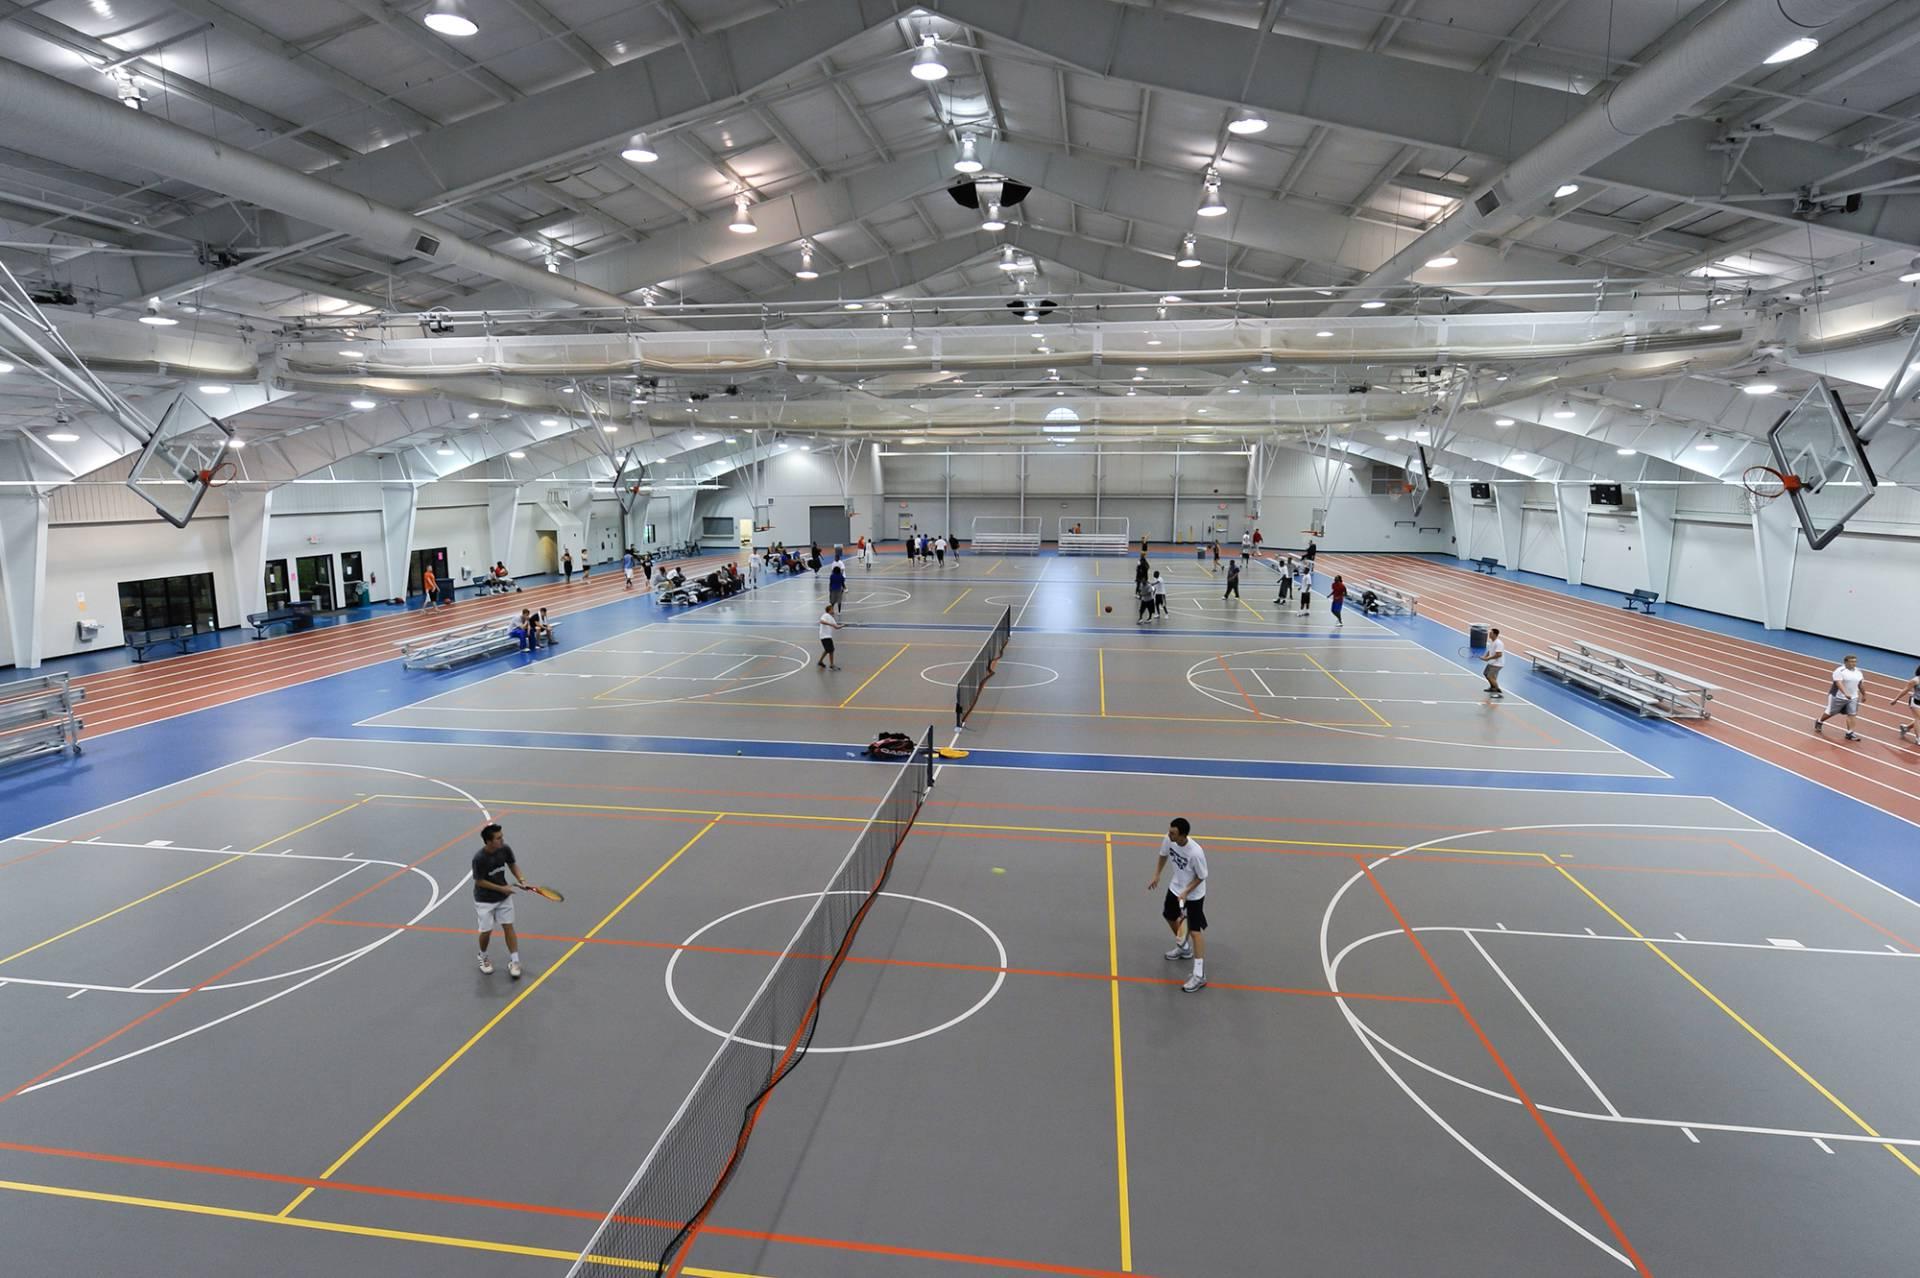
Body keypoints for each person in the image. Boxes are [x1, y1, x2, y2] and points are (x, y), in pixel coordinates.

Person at [1147, 817, 1208, 993]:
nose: (1169, 834)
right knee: (1169, 915)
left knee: (1195, 932)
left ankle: (1199, 974)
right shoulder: (1169, 839)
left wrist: (1187, 892)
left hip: (1194, 894)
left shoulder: (1196, 853)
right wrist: (1157, 874)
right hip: (1176, 887)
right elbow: (1163, 855)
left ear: (1183, 835)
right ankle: (1183, 947)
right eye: (1169, 831)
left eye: (1173, 833)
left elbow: (1202, 876)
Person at [473, 823, 530, 979]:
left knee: (508, 927)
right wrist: (502, 889)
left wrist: (522, 880)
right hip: (484, 900)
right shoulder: (479, 858)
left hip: (503, 898)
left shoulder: (505, 849)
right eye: (498, 838)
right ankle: (483, 956)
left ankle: (515, 961)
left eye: (502, 836)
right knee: (486, 931)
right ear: (489, 841)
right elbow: (479, 881)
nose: (502, 840)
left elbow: (512, 865)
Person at [1816, 653, 1866, 741]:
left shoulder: (1858, 672)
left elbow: (1860, 684)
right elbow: (1838, 683)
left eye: (1855, 662)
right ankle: (1819, 721)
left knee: (1852, 714)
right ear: (1846, 662)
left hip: (1853, 697)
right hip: (1838, 696)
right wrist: (1845, 693)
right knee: (1830, 712)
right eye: (1851, 662)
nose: (1854, 664)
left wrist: (1864, 694)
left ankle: (1849, 732)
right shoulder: (1839, 671)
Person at [1890, 664, 1920, 743]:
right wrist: (1896, 699)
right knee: (1918, 718)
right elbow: (1905, 690)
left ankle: (1906, 728)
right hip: (1915, 701)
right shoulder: (1915, 680)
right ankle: (1918, 738)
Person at [1480, 627, 1506, 699]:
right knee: (1485, 673)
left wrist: (1487, 658)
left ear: (1495, 634)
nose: (1489, 634)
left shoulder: (1499, 643)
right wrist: (1485, 656)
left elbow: (1499, 655)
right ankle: (1493, 688)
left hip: (1497, 664)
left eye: (1490, 633)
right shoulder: (1492, 642)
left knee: (1490, 676)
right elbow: (1489, 651)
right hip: (1492, 662)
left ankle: (1498, 692)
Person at [817, 602, 843, 670]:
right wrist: (830, 624)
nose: (833, 611)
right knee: (831, 650)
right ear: (829, 610)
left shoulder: (832, 618)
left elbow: (836, 627)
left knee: (828, 650)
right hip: (824, 636)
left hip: (828, 636)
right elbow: (821, 621)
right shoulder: (825, 615)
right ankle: (831, 665)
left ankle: (820, 661)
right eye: (832, 609)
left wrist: (843, 625)